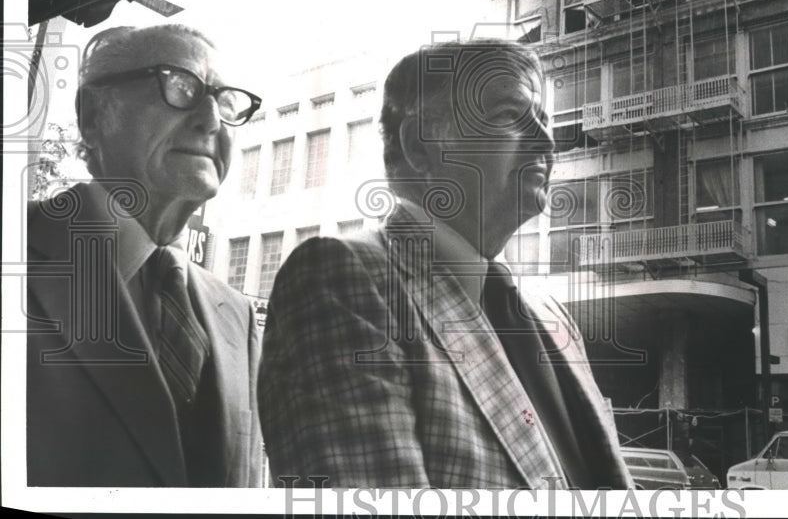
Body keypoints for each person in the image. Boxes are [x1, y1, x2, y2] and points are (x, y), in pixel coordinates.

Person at [258, 39, 632, 488]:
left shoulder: (555, 319)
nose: (547, 140)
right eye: (511, 116)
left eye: (544, 120)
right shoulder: (342, 278)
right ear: (421, 147)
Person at [25, 24, 265, 487]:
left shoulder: (236, 315)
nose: (211, 120)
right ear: (93, 116)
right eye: (179, 86)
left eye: (227, 103)